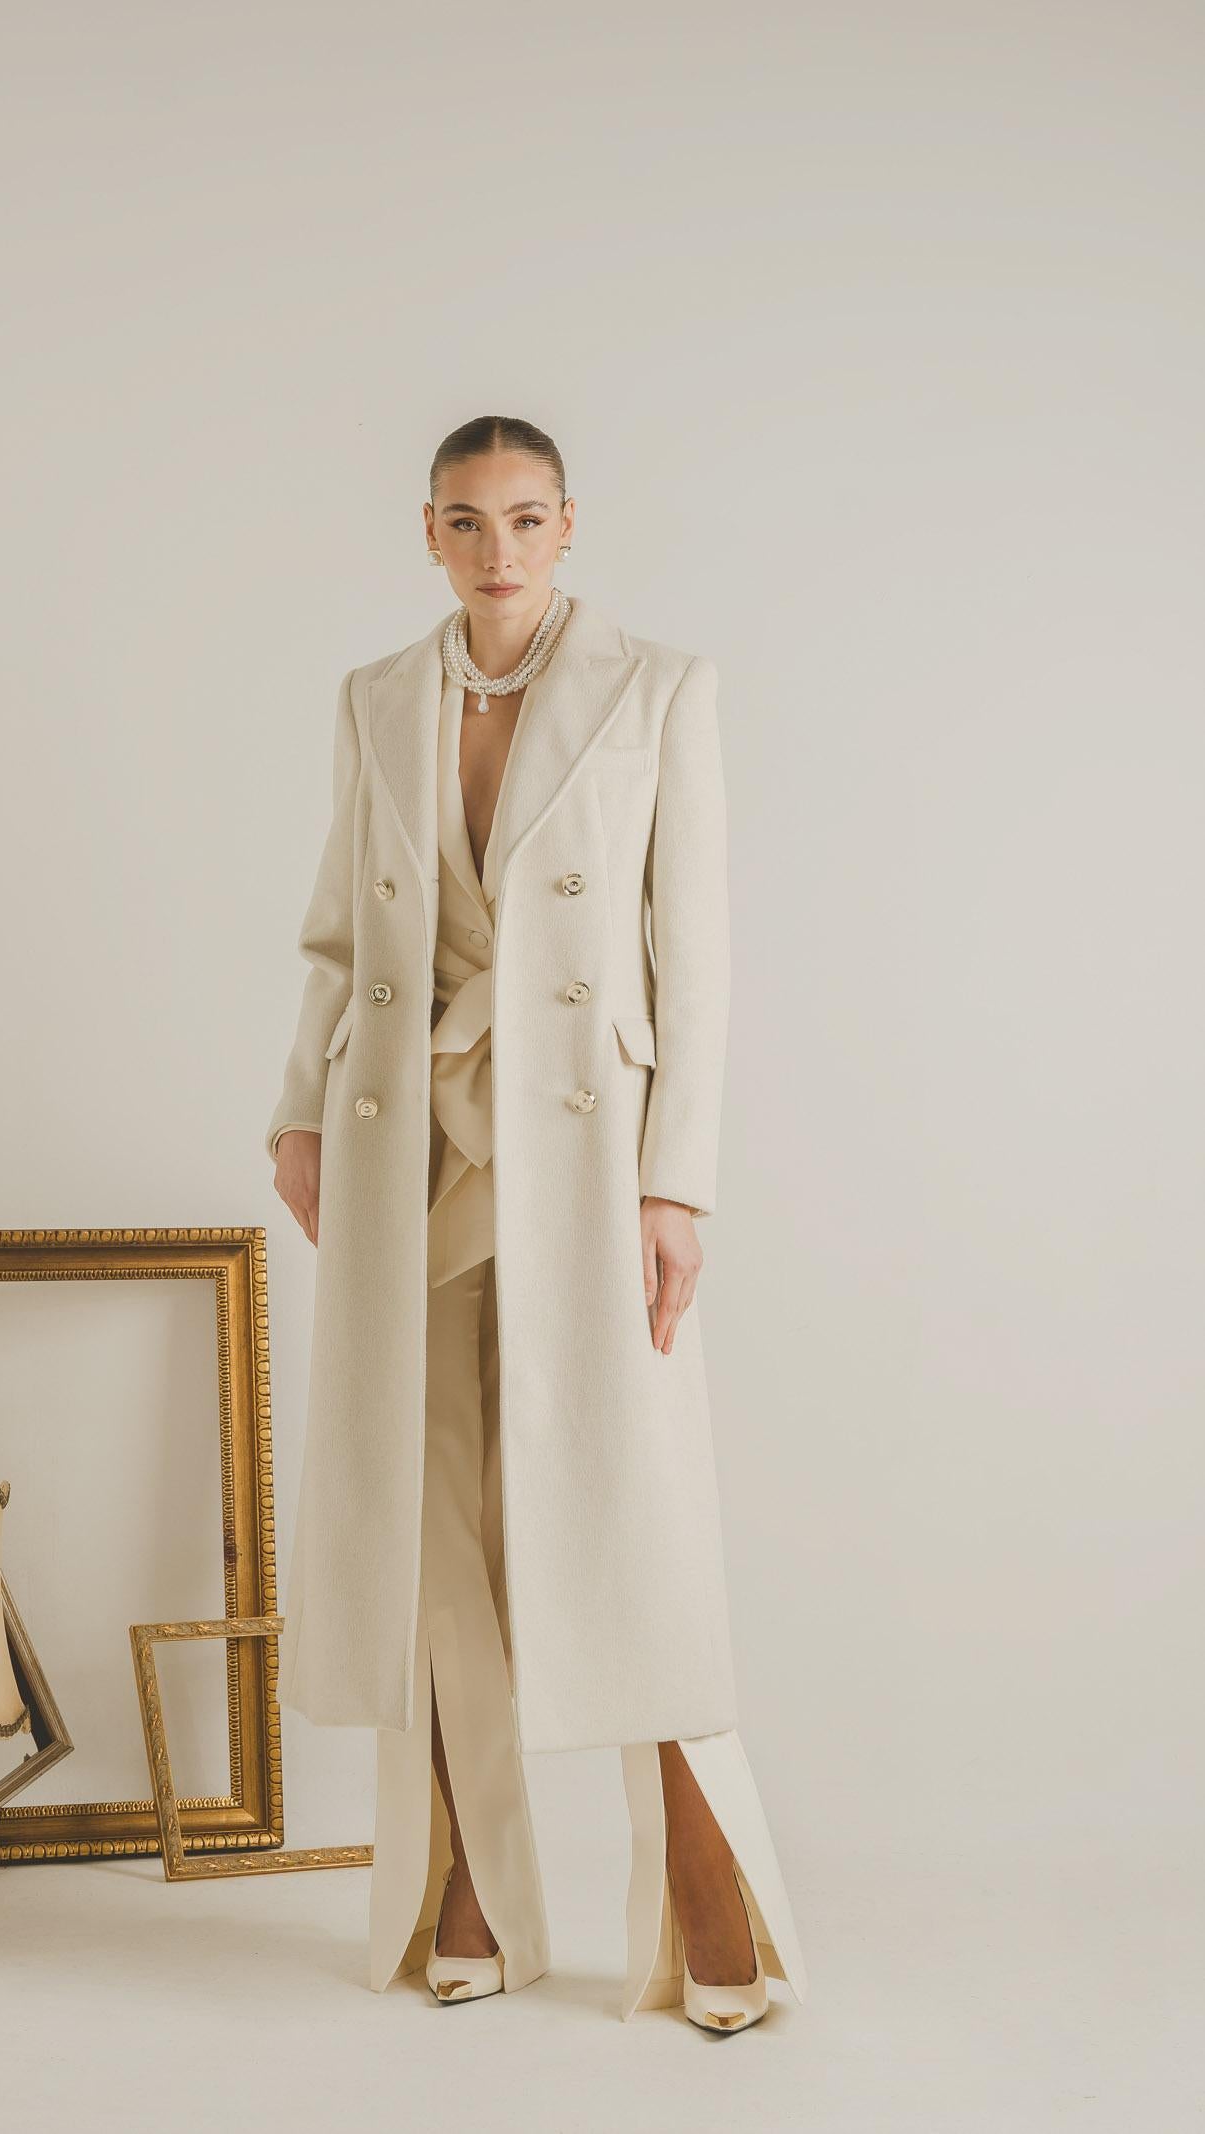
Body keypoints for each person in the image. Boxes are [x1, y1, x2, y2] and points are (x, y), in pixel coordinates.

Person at [265, 413, 807, 2029]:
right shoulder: (375, 697)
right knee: (426, 1508)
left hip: (581, 1143)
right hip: (406, 1137)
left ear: (568, 524)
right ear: (427, 532)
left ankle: (707, 1892)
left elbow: (691, 953)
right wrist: (299, 1108)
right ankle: (470, 1889)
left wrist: (674, 1181)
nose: (494, 548)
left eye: (522, 517)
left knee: (631, 1510)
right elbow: (333, 930)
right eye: (463, 520)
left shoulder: (659, 690)